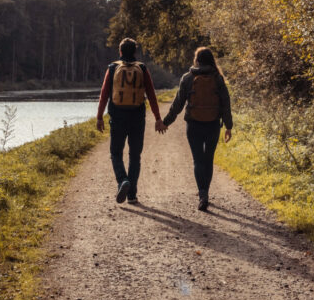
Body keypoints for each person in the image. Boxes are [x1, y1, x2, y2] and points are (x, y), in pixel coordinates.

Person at [160, 46, 232, 211]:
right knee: (208, 160)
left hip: (193, 125)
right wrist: (229, 126)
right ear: (212, 60)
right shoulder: (218, 79)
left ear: (197, 61)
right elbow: (226, 104)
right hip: (213, 124)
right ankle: (205, 192)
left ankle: (202, 194)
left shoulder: (188, 78)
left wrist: (166, 122)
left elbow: (178, 104)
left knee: (198, 160)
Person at [96, 38, 162, 204]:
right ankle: (131, 194)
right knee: (135, 156)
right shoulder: (142, 68)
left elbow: (104, 95)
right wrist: (158, 118)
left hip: (117, 117)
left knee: (115, 153)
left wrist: (99, 117)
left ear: (120, 51)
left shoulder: (112, 68)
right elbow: (152, 95)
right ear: (134, 52)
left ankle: (122, 180)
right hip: (137, 117)